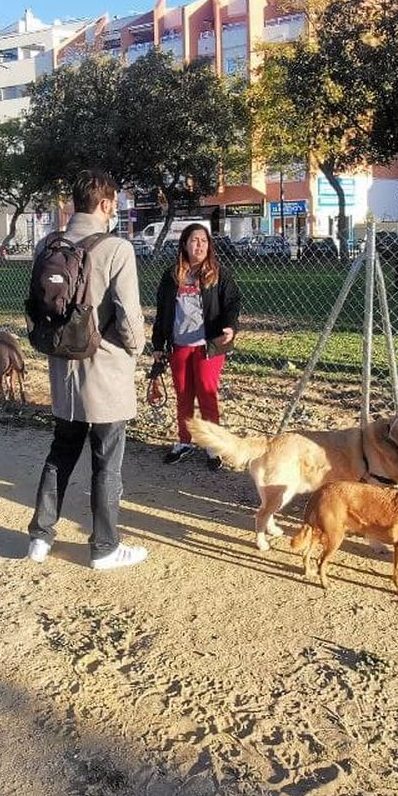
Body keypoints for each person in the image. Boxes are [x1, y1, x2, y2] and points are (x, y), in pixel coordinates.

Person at [27, 169, 150, 570]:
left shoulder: (49, 244)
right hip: (105, 374)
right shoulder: (117, 249)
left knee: (59, 453)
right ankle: (104, 547)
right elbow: (129, 319)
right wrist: (137, 349)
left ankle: (40, 538)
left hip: (63, 370)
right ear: (106, 204)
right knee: (106, 462)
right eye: (114, 202)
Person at [149, 223, 242, 468]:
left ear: (209, 245)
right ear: (184, 244)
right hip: (180, 345)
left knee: (206, 393)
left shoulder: (219, 273)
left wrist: (230, 327)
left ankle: (213, 446)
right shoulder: (172, 276)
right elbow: (162, 313)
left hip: (208, 346)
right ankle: (184, 441)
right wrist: (158, 344)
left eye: (203, 240)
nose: (199, 245)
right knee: (183, 394)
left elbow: (232, 303)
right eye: (193, 240)